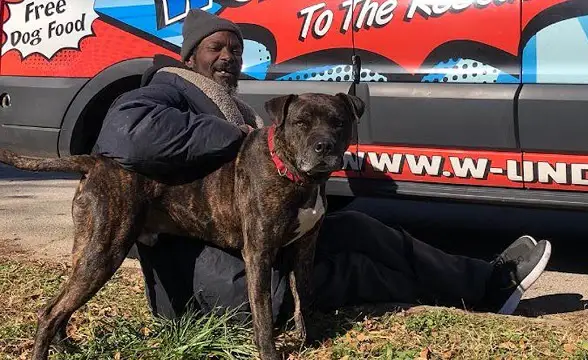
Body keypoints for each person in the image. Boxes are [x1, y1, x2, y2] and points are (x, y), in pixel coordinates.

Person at [92, 9, 552, 325]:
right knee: (345, 273)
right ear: (190, 56)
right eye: (216, 48)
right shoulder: (166, 89)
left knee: (360, 229)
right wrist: (238, 139)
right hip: (199, 269)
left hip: (258, 237)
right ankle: (457, 295)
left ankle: (486, 282)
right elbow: (126, 135)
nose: (229, 57)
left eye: (236, 49)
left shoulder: (231, 104)